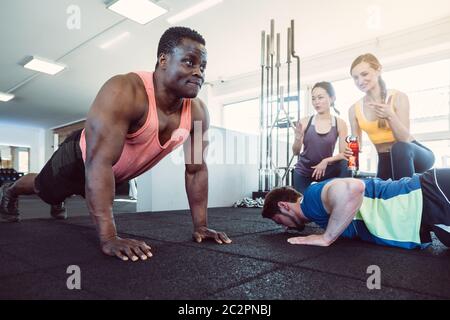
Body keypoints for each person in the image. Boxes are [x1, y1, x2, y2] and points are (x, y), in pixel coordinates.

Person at [0, 27, 232, 262]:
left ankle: (61, 196)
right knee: (44, 190)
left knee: (83, 190)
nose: (198, 73)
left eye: (202, 67)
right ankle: (10, 191)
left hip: (110, 174)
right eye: (189, 62)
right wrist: (109, 237)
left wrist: (201, 226)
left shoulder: (198, 112)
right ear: (163, 60)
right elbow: (98, 163)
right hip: (78, 160)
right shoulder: (125, 90)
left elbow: (196, 170)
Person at [261, 168, 450, 249]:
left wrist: (326, 238)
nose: (284, 227)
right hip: (428, 209)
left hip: (432, 192)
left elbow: (352, 188)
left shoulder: (310, 198)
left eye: (279, 221)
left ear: (284, 206)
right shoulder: (321, 214)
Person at [348, 53, 435, 180]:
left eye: (364, 74)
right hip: (385, 159)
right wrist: (350, 154)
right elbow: (355, 146)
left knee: (399, 148)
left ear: (378, 70)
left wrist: (390, 116)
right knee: (382, 192)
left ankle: (406, 196)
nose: (360, 81)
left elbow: (404, 139)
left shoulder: (398, 97)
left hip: (413, 154)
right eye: (355, 78)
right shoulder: (354, 109)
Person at [292, 82, 349, 194]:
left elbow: (344, 154)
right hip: (305, 171)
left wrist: (326, 161)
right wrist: (298, 138)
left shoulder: (340, 123)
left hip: (326, 171)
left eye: (320, 97)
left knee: (344, 164)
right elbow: (295, 152)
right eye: (313, 99)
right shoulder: (304, 122)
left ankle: (343, 196)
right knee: (304, 206)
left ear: (332, 99)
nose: (316, 102)